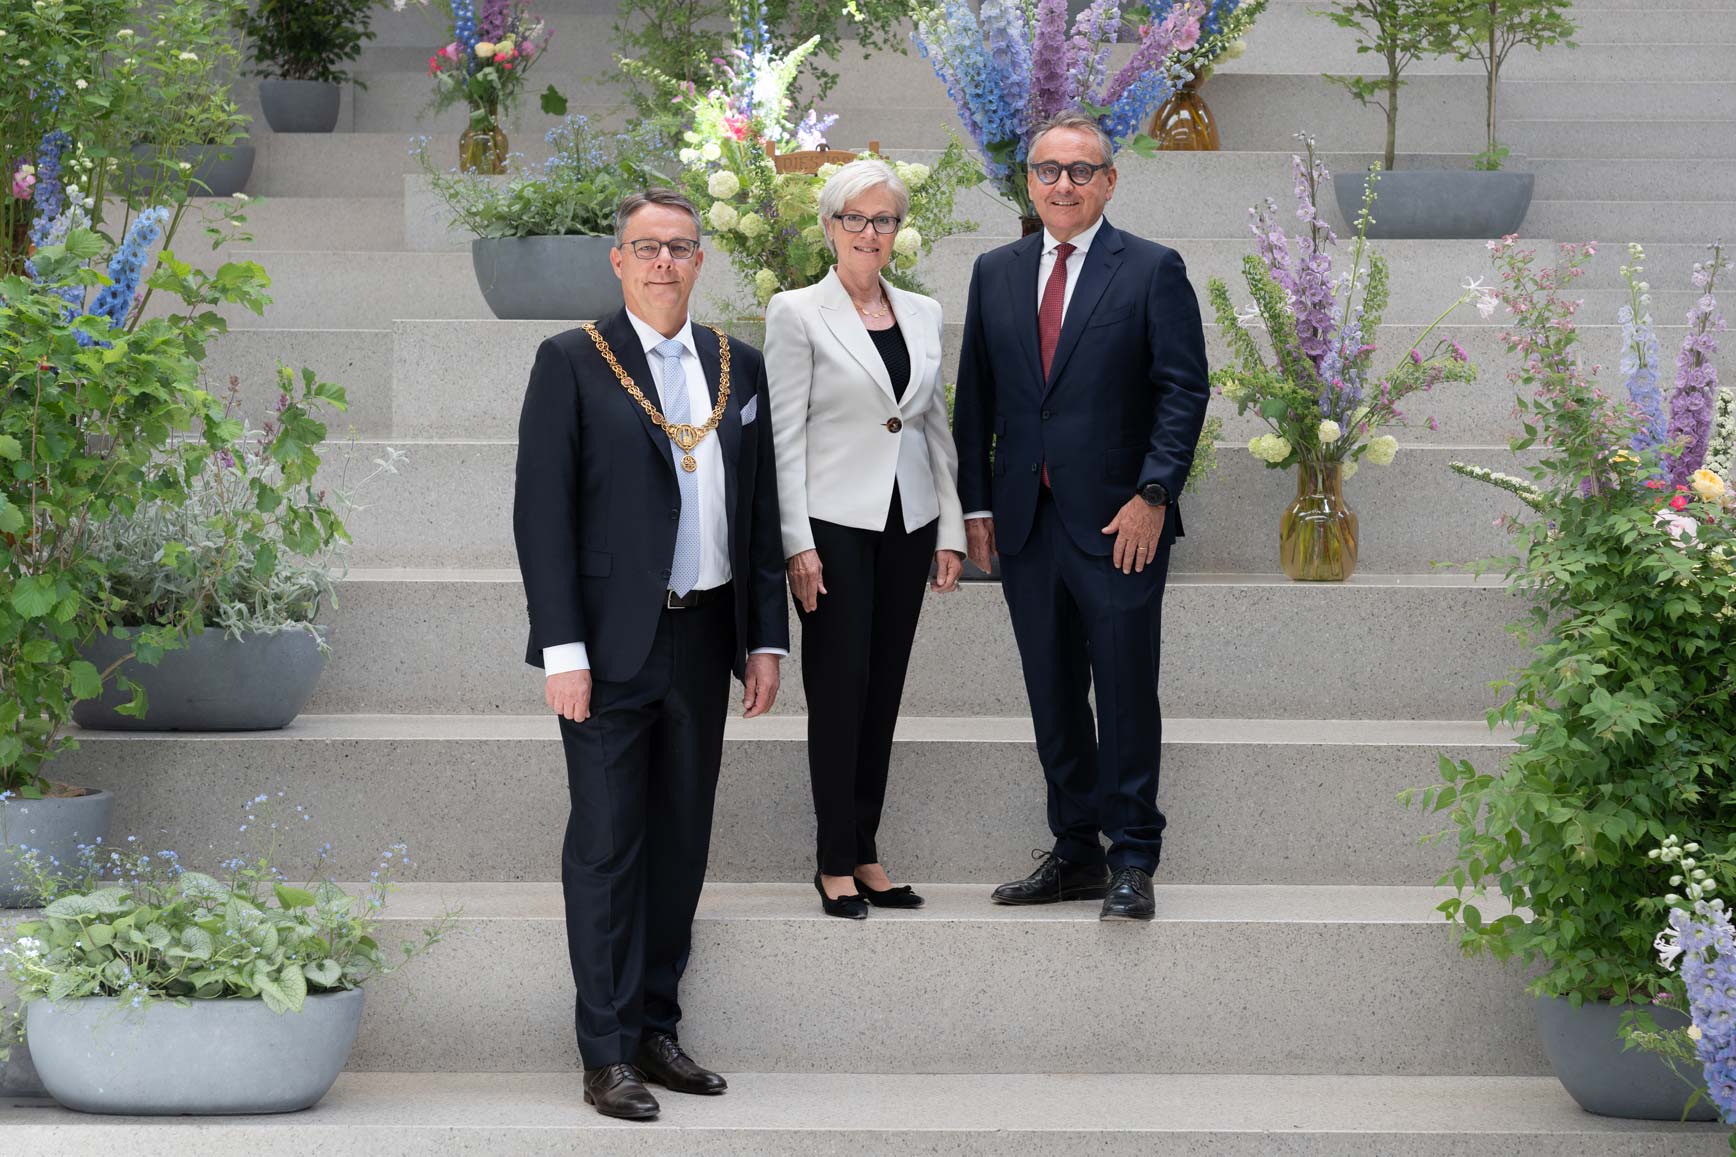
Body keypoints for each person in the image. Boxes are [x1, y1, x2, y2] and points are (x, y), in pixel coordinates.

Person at [512, 188, 789, 1119]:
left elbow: (758, 512)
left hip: (706, 632)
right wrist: (562, 651)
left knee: (680, 840)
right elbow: (541, 518)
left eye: (680, 246)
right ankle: (605, 1050)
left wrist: (763, 639)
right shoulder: (570, 362)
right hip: (607, 644)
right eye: (646, 247)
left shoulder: (734, 363)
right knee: (606, 844)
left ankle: (657, 1028)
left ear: (701, 260)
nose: (664, 262)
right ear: (618, 260)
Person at [952, 112, 1210, 922]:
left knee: (1126, 688)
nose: (1063, 183)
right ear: (1027, 181)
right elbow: (978, 399)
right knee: (1052, 689)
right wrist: (977, 503)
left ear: (1109, 181)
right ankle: (1074, 852)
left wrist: (1155, 493)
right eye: (1048, 169)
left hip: (1119, 523)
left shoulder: (1152, 270)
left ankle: (1133, 856)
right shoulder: (995, 271)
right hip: (1026, 522)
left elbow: (1182, 389)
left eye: (1080, 170)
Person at [763, 158, 966, 919]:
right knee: (839, 693)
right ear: (829, 226)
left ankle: (868, 849)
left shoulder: (920, 310)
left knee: (883, 692)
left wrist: (948, 524)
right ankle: (832, 860)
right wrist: (795, 541)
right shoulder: (796, 311)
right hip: (832, 529)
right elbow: (784, 435)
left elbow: (933, 426)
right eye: (856, 219)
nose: (870, 233)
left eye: (884, 220)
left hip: (907, 524)